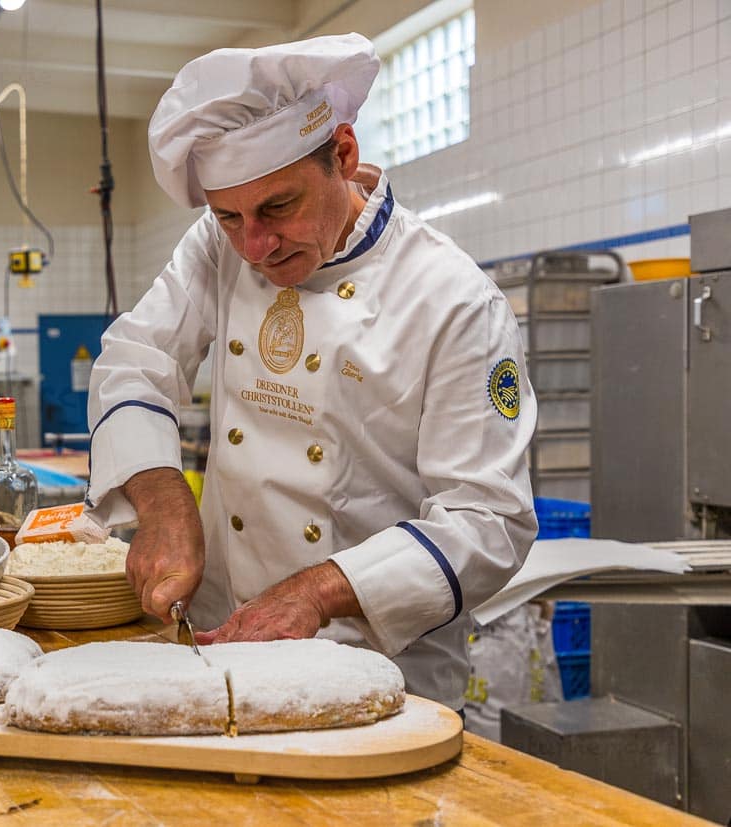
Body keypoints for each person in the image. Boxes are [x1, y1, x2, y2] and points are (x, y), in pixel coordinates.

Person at [82, 33, 538, 709]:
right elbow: (136, 358)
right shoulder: (220, 247)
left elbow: (488, 519)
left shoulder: (455, 301)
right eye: (229, 216)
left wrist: (315, 590)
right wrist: (161, 496)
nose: (255, 245)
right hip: (217, 644)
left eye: (277, 208)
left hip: (380, 676)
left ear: (344, 156)